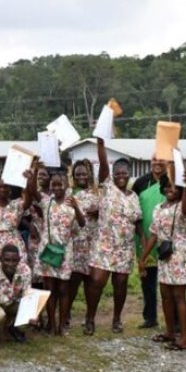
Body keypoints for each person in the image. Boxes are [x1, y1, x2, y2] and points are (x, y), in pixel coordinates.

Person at [84, 138, 142, 335]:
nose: (120, 176)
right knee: (97, 281)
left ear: (130, 174)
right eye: (117, 173)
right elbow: (102, 165)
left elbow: (138, 222)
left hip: (125, 248)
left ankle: (117, 318)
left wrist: (142, 246)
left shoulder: (134, 197)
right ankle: (89, 318)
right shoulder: (108, 188)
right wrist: (101, 144)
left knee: (120, 284)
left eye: (124, 173)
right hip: (104, 245)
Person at [139, 174, 186, 350]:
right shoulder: (158, 208)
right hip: (164, 254)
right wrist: (143, 257)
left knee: (179, 296)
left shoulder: (183, 207)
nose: (170, 189)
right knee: (165, 295)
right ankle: (170, 332)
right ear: (162, 187)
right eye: (167, 186)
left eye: (174, 186)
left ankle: (185, 338)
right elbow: (154, 234)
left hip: (179, 254)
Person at [33, 171, 85, 335]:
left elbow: (82, 224)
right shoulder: (46, 202)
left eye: (59, 184)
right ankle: (52, 324)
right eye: (53, 184)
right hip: (48, 250)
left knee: (63, 289)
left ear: (66, 185)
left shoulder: (72, 203)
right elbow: (32, 191)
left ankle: (62, 325)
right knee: (50, 288)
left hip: (65, 251)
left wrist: (76, 207)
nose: (56, 187)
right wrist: (34, 172)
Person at [132, 154, 168, 329]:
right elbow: (134, 210)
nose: (157, 162)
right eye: (154, 159)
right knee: (147, 279)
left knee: (169, 283)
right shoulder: (140, 183)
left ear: (167, 162)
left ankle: (174, 320)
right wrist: (141, 233)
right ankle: (150, 317)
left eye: (161, 159)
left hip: (167, 240)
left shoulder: (172, 183)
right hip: (145, 237)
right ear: (150, 162)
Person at [0, 245, 33, 355]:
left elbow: (28, 296)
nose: (10, 264)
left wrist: (32, 314)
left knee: (36, 307)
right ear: (0, 258)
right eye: (7, 260)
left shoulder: (25, 270)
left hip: (13, 302)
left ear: (19, 259)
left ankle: (11, 327)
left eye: (14, 260)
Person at [68, 160, 100, 326]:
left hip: (91, 243)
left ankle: (90, 317)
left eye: (83, 173)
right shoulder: (69, 192)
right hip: (73, 243)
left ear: (89, 174)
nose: (81, 176)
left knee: (91, 282)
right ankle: (66, 315)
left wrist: (99, 210)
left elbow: (107, 212)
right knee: (73, 281)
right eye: (77, 174)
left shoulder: (96, 193)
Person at [0, 175, 34, 267]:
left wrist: (28, 182)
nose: (3, 189)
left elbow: (28, 201)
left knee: (18, 273)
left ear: (9, 188)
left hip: (15, 245)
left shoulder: (16, 204)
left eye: (5, 186)